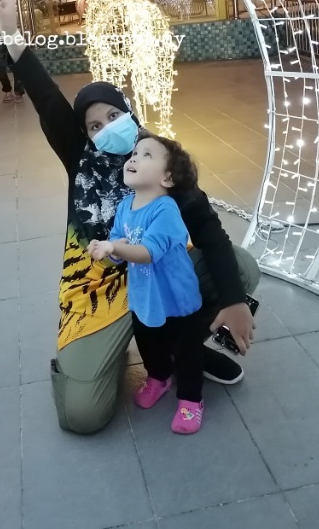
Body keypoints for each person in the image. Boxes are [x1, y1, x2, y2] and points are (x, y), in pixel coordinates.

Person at [0, 0, 260, 434]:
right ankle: (119, 350)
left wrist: (233, 301)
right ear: (84, 135)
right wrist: (13, 38)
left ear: (130, 114)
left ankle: (182, 343)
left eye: (114, 116)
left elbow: (209, 231)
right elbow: (49, 101)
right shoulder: (82, 159)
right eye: (94, 125)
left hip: (156, 270)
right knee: (82, 415)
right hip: (98, 286)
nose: (106, 128)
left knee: (238, 266)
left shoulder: (159, 158)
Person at [88, 131, 205, 434]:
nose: (135, 158)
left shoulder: (165, 210)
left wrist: (115, 248)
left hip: (178, 301)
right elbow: (119, 243)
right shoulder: (126, 206)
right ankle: (158, 377)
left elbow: (148, 252)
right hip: (144, 297)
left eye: (147, 155)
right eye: (135, 153)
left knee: (187, 352)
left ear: (167, 178)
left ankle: (191, 400)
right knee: (149, 343)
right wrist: (107, 251)